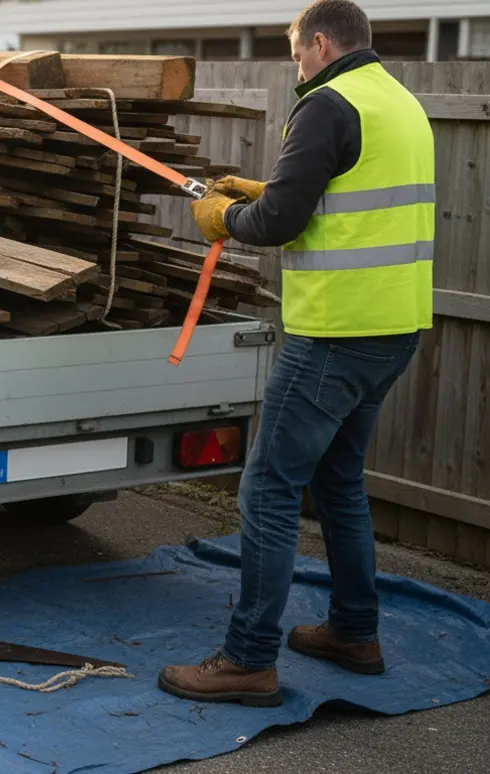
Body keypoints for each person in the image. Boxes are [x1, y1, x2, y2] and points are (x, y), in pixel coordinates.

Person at [158, 0, 435, 707]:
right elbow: (328, 198)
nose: (295, 66)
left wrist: (225, 215)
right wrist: (261, 191)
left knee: (269, 490)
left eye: (294, 52)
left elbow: (279, 223)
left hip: (333, 337)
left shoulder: (327, 104)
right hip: (393, 329)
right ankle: (354, 632)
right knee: (339, 481)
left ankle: (247, 659)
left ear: (319, 42)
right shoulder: (400, 103)